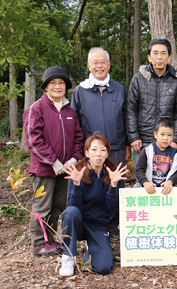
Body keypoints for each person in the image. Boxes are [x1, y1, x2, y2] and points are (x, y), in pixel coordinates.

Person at [23, 66, 84, 257]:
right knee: (42, 206)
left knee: (58, 206)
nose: (57, 86)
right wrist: (54, 162)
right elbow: (34, 140)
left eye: (61, 83)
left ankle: (49, 239)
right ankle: (38, 243)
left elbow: (78, 137)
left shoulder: (69, 111)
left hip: (65, 169)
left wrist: (73, 159)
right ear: (46, 87)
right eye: (53, 83)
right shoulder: (36, 109)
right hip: (44, 170)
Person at [71, 47, 129, 238]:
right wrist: (81, 149)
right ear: (88, 65)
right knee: (92, 185)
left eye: (103, 61)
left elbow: (127, 117)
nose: (99, 66)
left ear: (109, 64)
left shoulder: (119, 89)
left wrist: (127, 143)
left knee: (116, 185)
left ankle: (114, 225)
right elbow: (75, 122)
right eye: (95, 62)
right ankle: (93, 224)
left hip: (117, 147)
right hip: (91, 150)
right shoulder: (80, 91)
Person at [56, 134, 128, 277]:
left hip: (99, 226)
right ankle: (68, 256)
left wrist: (113, 185)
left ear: (107, 153)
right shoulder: (78, 171)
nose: (98, 154)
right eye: (94, 149)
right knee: (71, 212)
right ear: (87, 152)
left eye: (103, 150)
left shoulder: (112, 174)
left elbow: (110, 208)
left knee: (104, 268)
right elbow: (73, 206)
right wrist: (76, 184)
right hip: (79, 223)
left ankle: (92, 247)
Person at [126, 38, 177, 185]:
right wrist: (133, 137)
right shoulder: (139, 79)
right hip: (144, 140)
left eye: (163, 53)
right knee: (144, 183)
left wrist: (176, 139)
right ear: (149, 57)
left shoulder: (176, 81)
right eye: (155, 53)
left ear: (169, 57)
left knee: (166, 183)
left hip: (167, 141)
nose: (159, 57)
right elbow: (131, 109)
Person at [135, 118, 177, 195]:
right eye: (162, 134)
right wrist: (145, 183)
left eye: (169, 135)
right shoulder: (147, 151)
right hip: (148, 190)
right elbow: (139, 169)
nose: (165, 138)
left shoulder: (175, 154)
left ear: (173, 136)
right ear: (155, 134)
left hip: (167, 191)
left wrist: (170, 181)